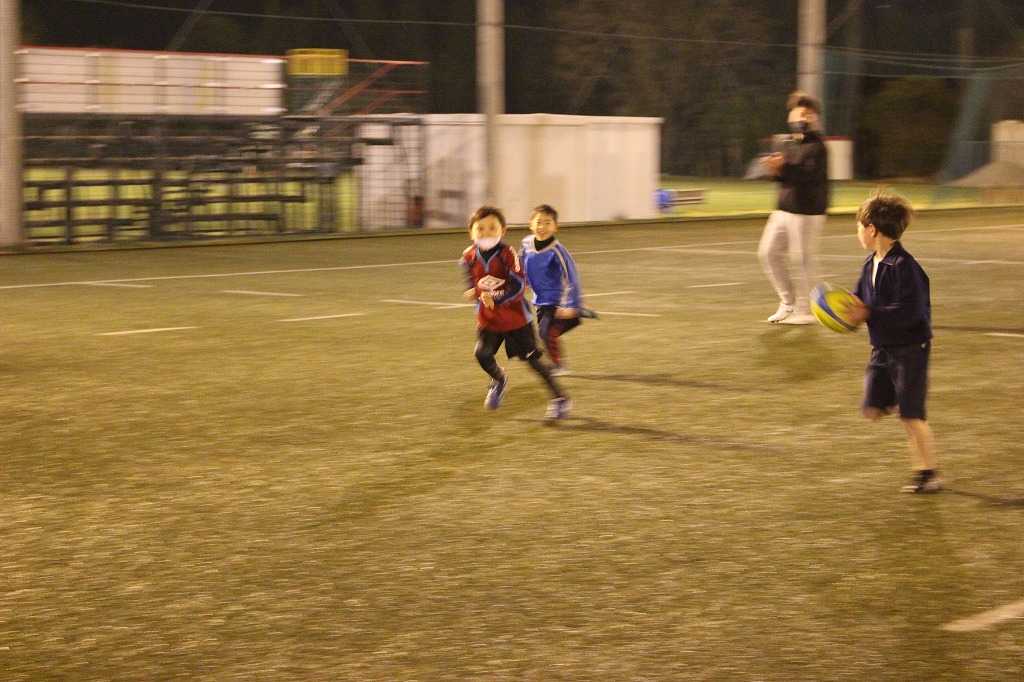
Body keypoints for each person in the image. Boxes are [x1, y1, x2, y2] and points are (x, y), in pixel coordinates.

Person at [846, 192, 940, 493]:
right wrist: (844, 313)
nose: (857, 232)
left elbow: (911, 312)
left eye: (859, 226)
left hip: (911, 349)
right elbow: (859, 302)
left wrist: (869, 313)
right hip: (883, 348)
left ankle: (928, 474)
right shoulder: (869, 264)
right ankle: (898, 399)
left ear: (872, 229)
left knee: (911, 414)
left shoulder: (905, 267)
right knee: (872, 408)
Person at [460, 206, 571, 421]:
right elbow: (471, 280)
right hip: (489, 319)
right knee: (482, 354)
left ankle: (560, 398)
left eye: (492, 228)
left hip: (515, 319)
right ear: (470, 232)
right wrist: (473, 291)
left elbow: (519, 285)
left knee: (533, 362)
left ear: (503, 231)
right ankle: (499, 379)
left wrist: (495, 298)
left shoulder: (508, 254)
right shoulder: (468, 256)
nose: (486, 232)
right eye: (480, 228)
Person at [758, 91, 829, 324]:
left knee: (802, 260)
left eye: (808, 114)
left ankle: (806, 311)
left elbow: (808, 175)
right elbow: (784, 177)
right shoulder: (787, 142)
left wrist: (783, 168)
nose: (802, 118)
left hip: (808, 211)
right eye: (799, 113)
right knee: (767, 253)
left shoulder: (818, 146)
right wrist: (773, 169)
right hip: (783, 208)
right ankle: (788, 303)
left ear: (815, 117)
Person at [520, 204, 587, 375]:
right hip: (540, 300)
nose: (542, 227)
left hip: (557, 301)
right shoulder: (526, 244)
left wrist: (571, 305)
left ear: (556, 226)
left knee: (546, 332)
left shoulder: (558, 251)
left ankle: (559, 366)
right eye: (538, 222)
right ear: (530, 224)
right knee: (545, 333)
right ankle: (557, 360)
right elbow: (521, 263)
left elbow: (572, 276)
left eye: (548, 223)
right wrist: (523, 281)